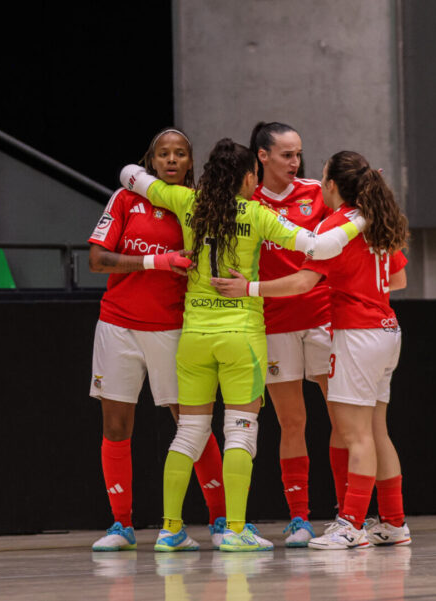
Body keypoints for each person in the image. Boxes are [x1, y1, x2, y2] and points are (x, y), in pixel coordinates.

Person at [118, 138, 365, 552]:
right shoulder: (258, 215)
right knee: (240, 433)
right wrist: (361, 218)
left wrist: (137, 174)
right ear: (249, 176)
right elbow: (319, 247)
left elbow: (130, 173)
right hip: (242, 338)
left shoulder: (187, 203)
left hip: (194, 337)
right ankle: (234, 531)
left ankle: (170, 530)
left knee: (189, 434)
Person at [212, 150, 412, 550]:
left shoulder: (339, 224)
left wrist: (249, 287)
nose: (319, 185)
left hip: (358, 334)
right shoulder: (377, 220)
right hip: (388, 329)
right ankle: (393, 522)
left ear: (334, 186)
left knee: (355, 434)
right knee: (376, 430)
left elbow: (302, 283)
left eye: (323, 179)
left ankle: (351, 525)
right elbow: (400, 279)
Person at [87, 128, 227, 552]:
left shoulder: (196, 207)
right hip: (118, 326)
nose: (171, 160)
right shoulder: (126, 200)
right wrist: (157, 261)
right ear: (151, 160)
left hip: (173, 329)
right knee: (116, 425)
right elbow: (97, 260)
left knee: (192, 423)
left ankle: (221, 520)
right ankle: (121, 525)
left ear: (190, 162)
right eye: (163, 154)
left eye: (179, 153)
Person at [249, 122, 336, 547]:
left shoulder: (317, 193)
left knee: (342, 416)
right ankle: (299, 519)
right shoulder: (247, 200)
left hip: (322, 317)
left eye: (298, 153)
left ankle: (348, 516)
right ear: (262, 156)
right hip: (273, 324)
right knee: (292, 421)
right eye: (286, 154)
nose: (294, 162)